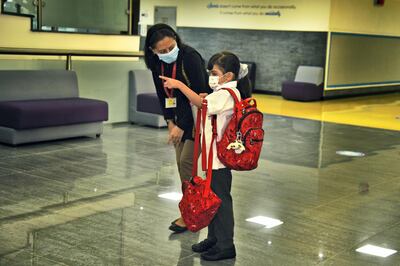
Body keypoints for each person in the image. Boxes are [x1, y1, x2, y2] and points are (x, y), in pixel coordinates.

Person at [160, 51, 251, 261]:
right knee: (213, 201)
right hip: (213, 159)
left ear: (228, 76)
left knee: (221, 202)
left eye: (214, 72)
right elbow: (207, 104)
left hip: (219, 161)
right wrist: (203, 98)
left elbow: (204, 105)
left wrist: (181, 86)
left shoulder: (227, 93)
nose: (211, 75)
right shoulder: (222, 91)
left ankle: (226, 244)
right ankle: (214, 238)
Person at [144, 24, 211, 233]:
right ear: (152, 51)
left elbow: (200, 94)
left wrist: (181, 125)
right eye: (161, 51)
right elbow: (163, 95)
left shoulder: (190, 57)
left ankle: (192, 213)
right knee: (183, 168)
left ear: (176, 39)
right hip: (178, 120)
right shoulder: (157, 63)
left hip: (197, 118)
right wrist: (170, 123)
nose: (166, 53)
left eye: (170, 47)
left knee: (186, 163)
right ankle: (190, 209)